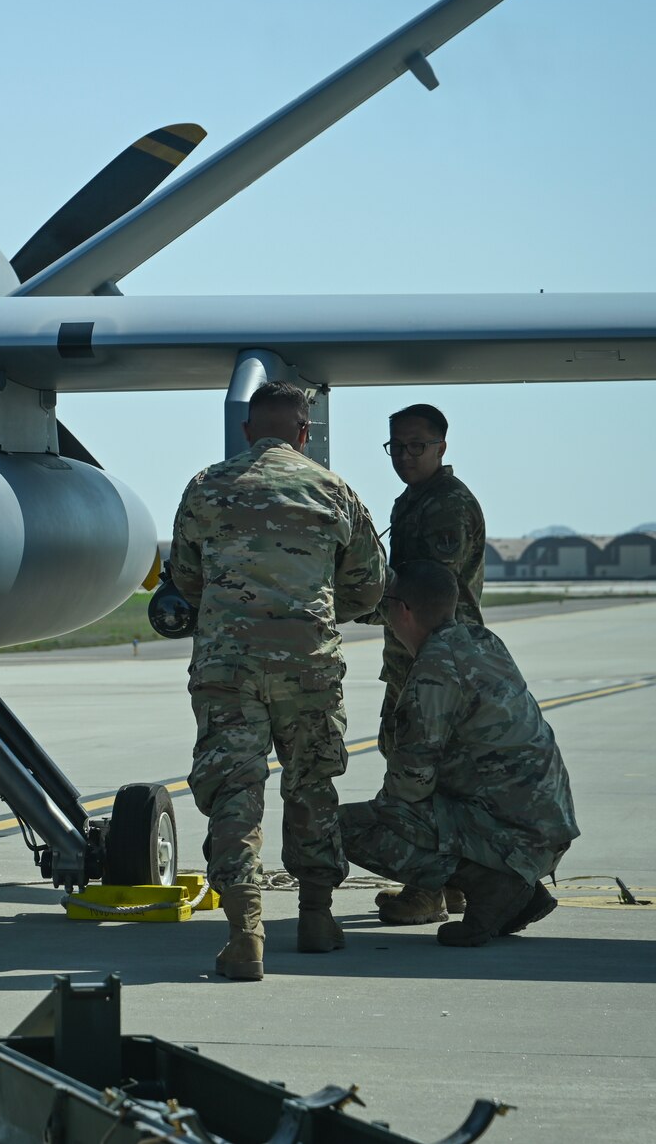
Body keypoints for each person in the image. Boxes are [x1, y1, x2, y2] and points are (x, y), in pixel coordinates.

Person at [171, 380, 386, 981]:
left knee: (234, 793)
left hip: (228, 668)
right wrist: (314, 612)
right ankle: (316, 917)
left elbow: (186, 577)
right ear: (304, 432)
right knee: (312, 784)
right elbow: (369, 585)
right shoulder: (332, 489)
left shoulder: (207, 486)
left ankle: (245, 933)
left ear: (246, 431)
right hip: (308, 665)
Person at [343, 560, 576, 945]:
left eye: (386, 605)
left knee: (341, 827)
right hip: (546, 827)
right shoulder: (481, 641)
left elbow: (411, 783)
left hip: (512, 839)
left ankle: (493, 887)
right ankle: (521, 892)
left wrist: (386, 812)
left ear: (403, 610)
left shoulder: (434, 669)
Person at [371, 403, 486, 926]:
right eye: (397, 446)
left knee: (417, 768)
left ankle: (426, 889)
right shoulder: (415, 500)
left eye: (417, 446)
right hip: (415, 654)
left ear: (441, 446)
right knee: (439, 768)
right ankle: (456, 883)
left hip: (435, 656)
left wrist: (363, 596)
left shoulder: (445, 505)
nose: (405, 456)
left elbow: (429, 585)